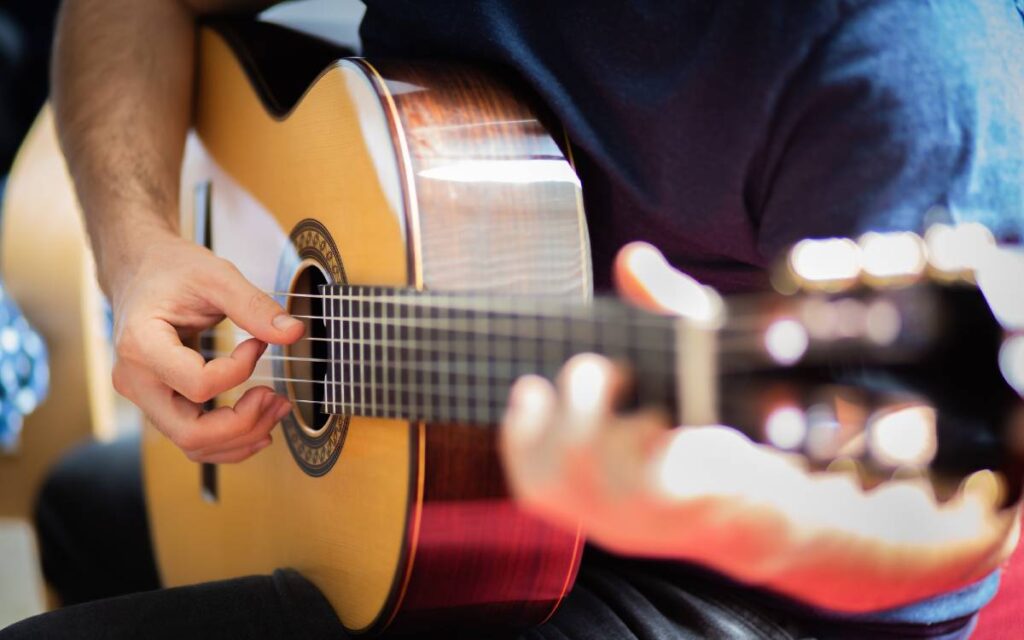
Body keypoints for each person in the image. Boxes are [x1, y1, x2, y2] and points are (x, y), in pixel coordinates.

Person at [5, 0, 1024, 638]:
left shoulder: (908, 55)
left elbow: (953, 529)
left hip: (731, 584)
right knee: (80, 505)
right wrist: (136, 249)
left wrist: (701, 503)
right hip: (429, 466)